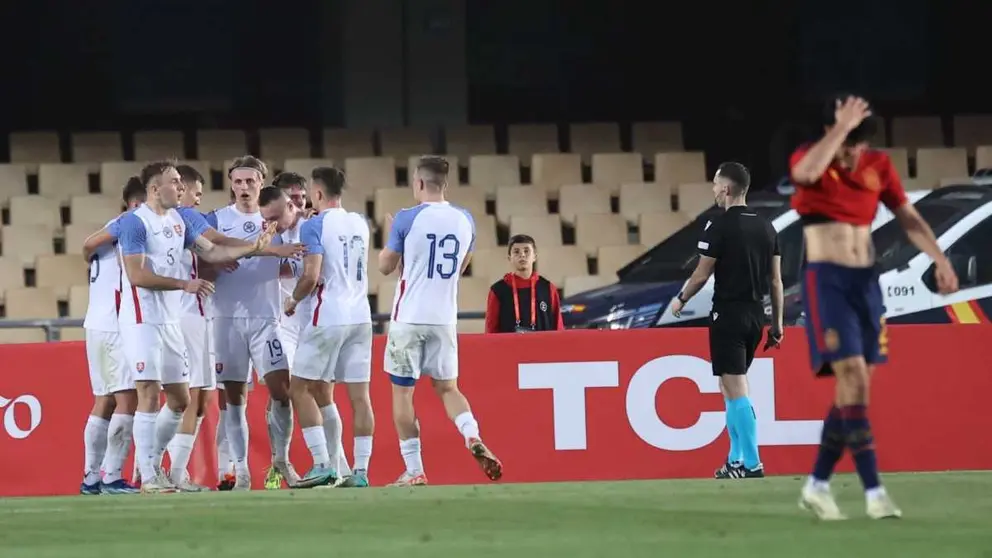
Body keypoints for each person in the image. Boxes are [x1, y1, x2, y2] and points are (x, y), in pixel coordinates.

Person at [790, 95, 958, 519]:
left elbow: (908, 218)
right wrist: (839, 130)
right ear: (834, 133)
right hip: (825, 280)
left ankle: (817, 484)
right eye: (849, 142)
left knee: (855, 386)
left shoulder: (877, 166)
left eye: (860, 143)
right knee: (853, 377)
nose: (854, 151)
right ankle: (874, 492)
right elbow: (804, 172)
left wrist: (940, 260)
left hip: (866, 283)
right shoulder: (811, 159)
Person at [115, 161, 277, 493]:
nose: (182, 188)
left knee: (179, 399)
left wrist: (254, 248)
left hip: (172, 320)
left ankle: (160, 468)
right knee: (149, 393)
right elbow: (137, 275)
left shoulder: (178, 222)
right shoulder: (134, 223)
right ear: (155, 189)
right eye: (175, 182)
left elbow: (213, 251)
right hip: (142, 319)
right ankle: (147, 475)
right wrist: (183, 284)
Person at [378, 156, 502, 487]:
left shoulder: (406, 218)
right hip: (444, 319)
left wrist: (392, 236)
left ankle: (414, 469)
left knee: (403, 395)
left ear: (419, 183)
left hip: (409, 319)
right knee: (448, 388)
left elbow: (385, 266)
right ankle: (472, 435)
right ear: (445, 184)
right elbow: (460, 268)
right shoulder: (466, 220)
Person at [670, 162, 783, 480]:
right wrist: (777, 326)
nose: (713, 190)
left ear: (727, 189)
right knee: (729, 387)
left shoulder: (718, 226)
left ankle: (752, 462)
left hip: (728, 315)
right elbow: (776, 282)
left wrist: (681, 299)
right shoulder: (767, 227)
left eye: (716, 185)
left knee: (737, 388)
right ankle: (735, 459)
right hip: (755, 316)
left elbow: (701, 274)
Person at [204, 156, 299, 490]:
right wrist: (217, 262)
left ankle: (281, 460)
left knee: (282, 392)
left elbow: (294, 256)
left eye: (251, 181)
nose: (244, 188)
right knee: (234, 399)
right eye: (239, 182)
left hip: (265, 318)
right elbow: (200, 264)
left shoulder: (272, 219)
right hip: (227, 318)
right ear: (231, 183)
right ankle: (241, 469)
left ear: (262, 182)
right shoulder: (215, 220)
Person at [283, 167, 375, 488]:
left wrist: (293, 300)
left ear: (317, 194)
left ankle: (322, 462)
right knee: (360, 397)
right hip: (362, 316)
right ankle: (360, 471)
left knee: (299, 388)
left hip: (330, 315)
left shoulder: (314, 225)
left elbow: (311, 275)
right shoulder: (361, 223)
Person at [77, 177, 147, 495]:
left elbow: (87, 247)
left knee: (103, 401)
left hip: (96, 324)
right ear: (134, 204)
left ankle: (91, 477)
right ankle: (113, 476)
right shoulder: (126, 228)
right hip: (115, 324)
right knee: (128, 398)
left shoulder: (110, 231)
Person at [484, 234, 565, 333]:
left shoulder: (548, 288)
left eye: (526, 251)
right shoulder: (498, 291)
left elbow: (558, 327)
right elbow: (491, 330)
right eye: (516, 252)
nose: (522, 255)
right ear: (509, 258)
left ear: (535, 256)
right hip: (509, 348)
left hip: (542, 347)